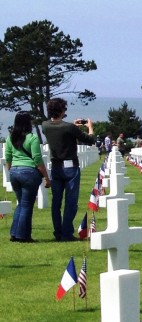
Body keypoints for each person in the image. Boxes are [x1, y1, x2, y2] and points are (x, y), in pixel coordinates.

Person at [41, 97, 96, 241]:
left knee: (56, 202)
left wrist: (72, 125)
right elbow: (90, 140)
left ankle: (58, 232)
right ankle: (66, 232)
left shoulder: (45, 125)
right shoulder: (69, 128)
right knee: (71, 202)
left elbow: (59, 130)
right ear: (61, 110)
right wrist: (90, 127)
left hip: (55, 167)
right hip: (70, 167)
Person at [4, 112, 51, 242]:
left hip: (14, 172)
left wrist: (11, 170)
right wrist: (46, 177)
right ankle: (23, 235)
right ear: (28, 123)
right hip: (29, 172)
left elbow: (8, 157)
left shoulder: (10, 138)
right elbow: (37, 159)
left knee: (21, 204)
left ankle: (14, 233)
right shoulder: (32, 138)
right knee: (26, 205)